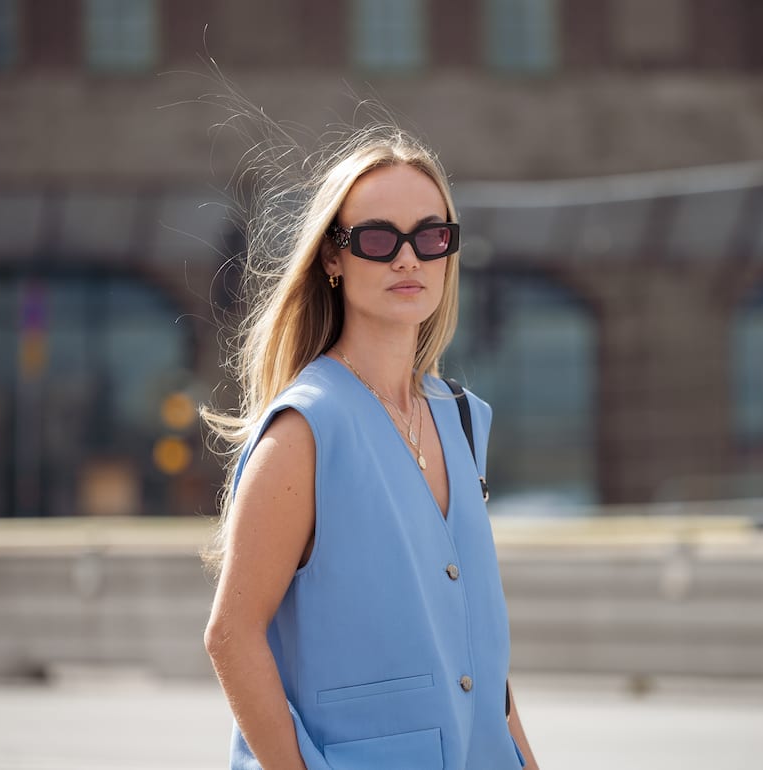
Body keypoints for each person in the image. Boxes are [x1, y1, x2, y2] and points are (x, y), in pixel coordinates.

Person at [201, 123, 540, 770]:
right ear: (333, 257)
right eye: (379, 239)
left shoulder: (462, 417)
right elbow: (231, 636)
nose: (408, 259)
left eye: (430, 237)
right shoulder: (304, 430)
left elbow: (482, 666)